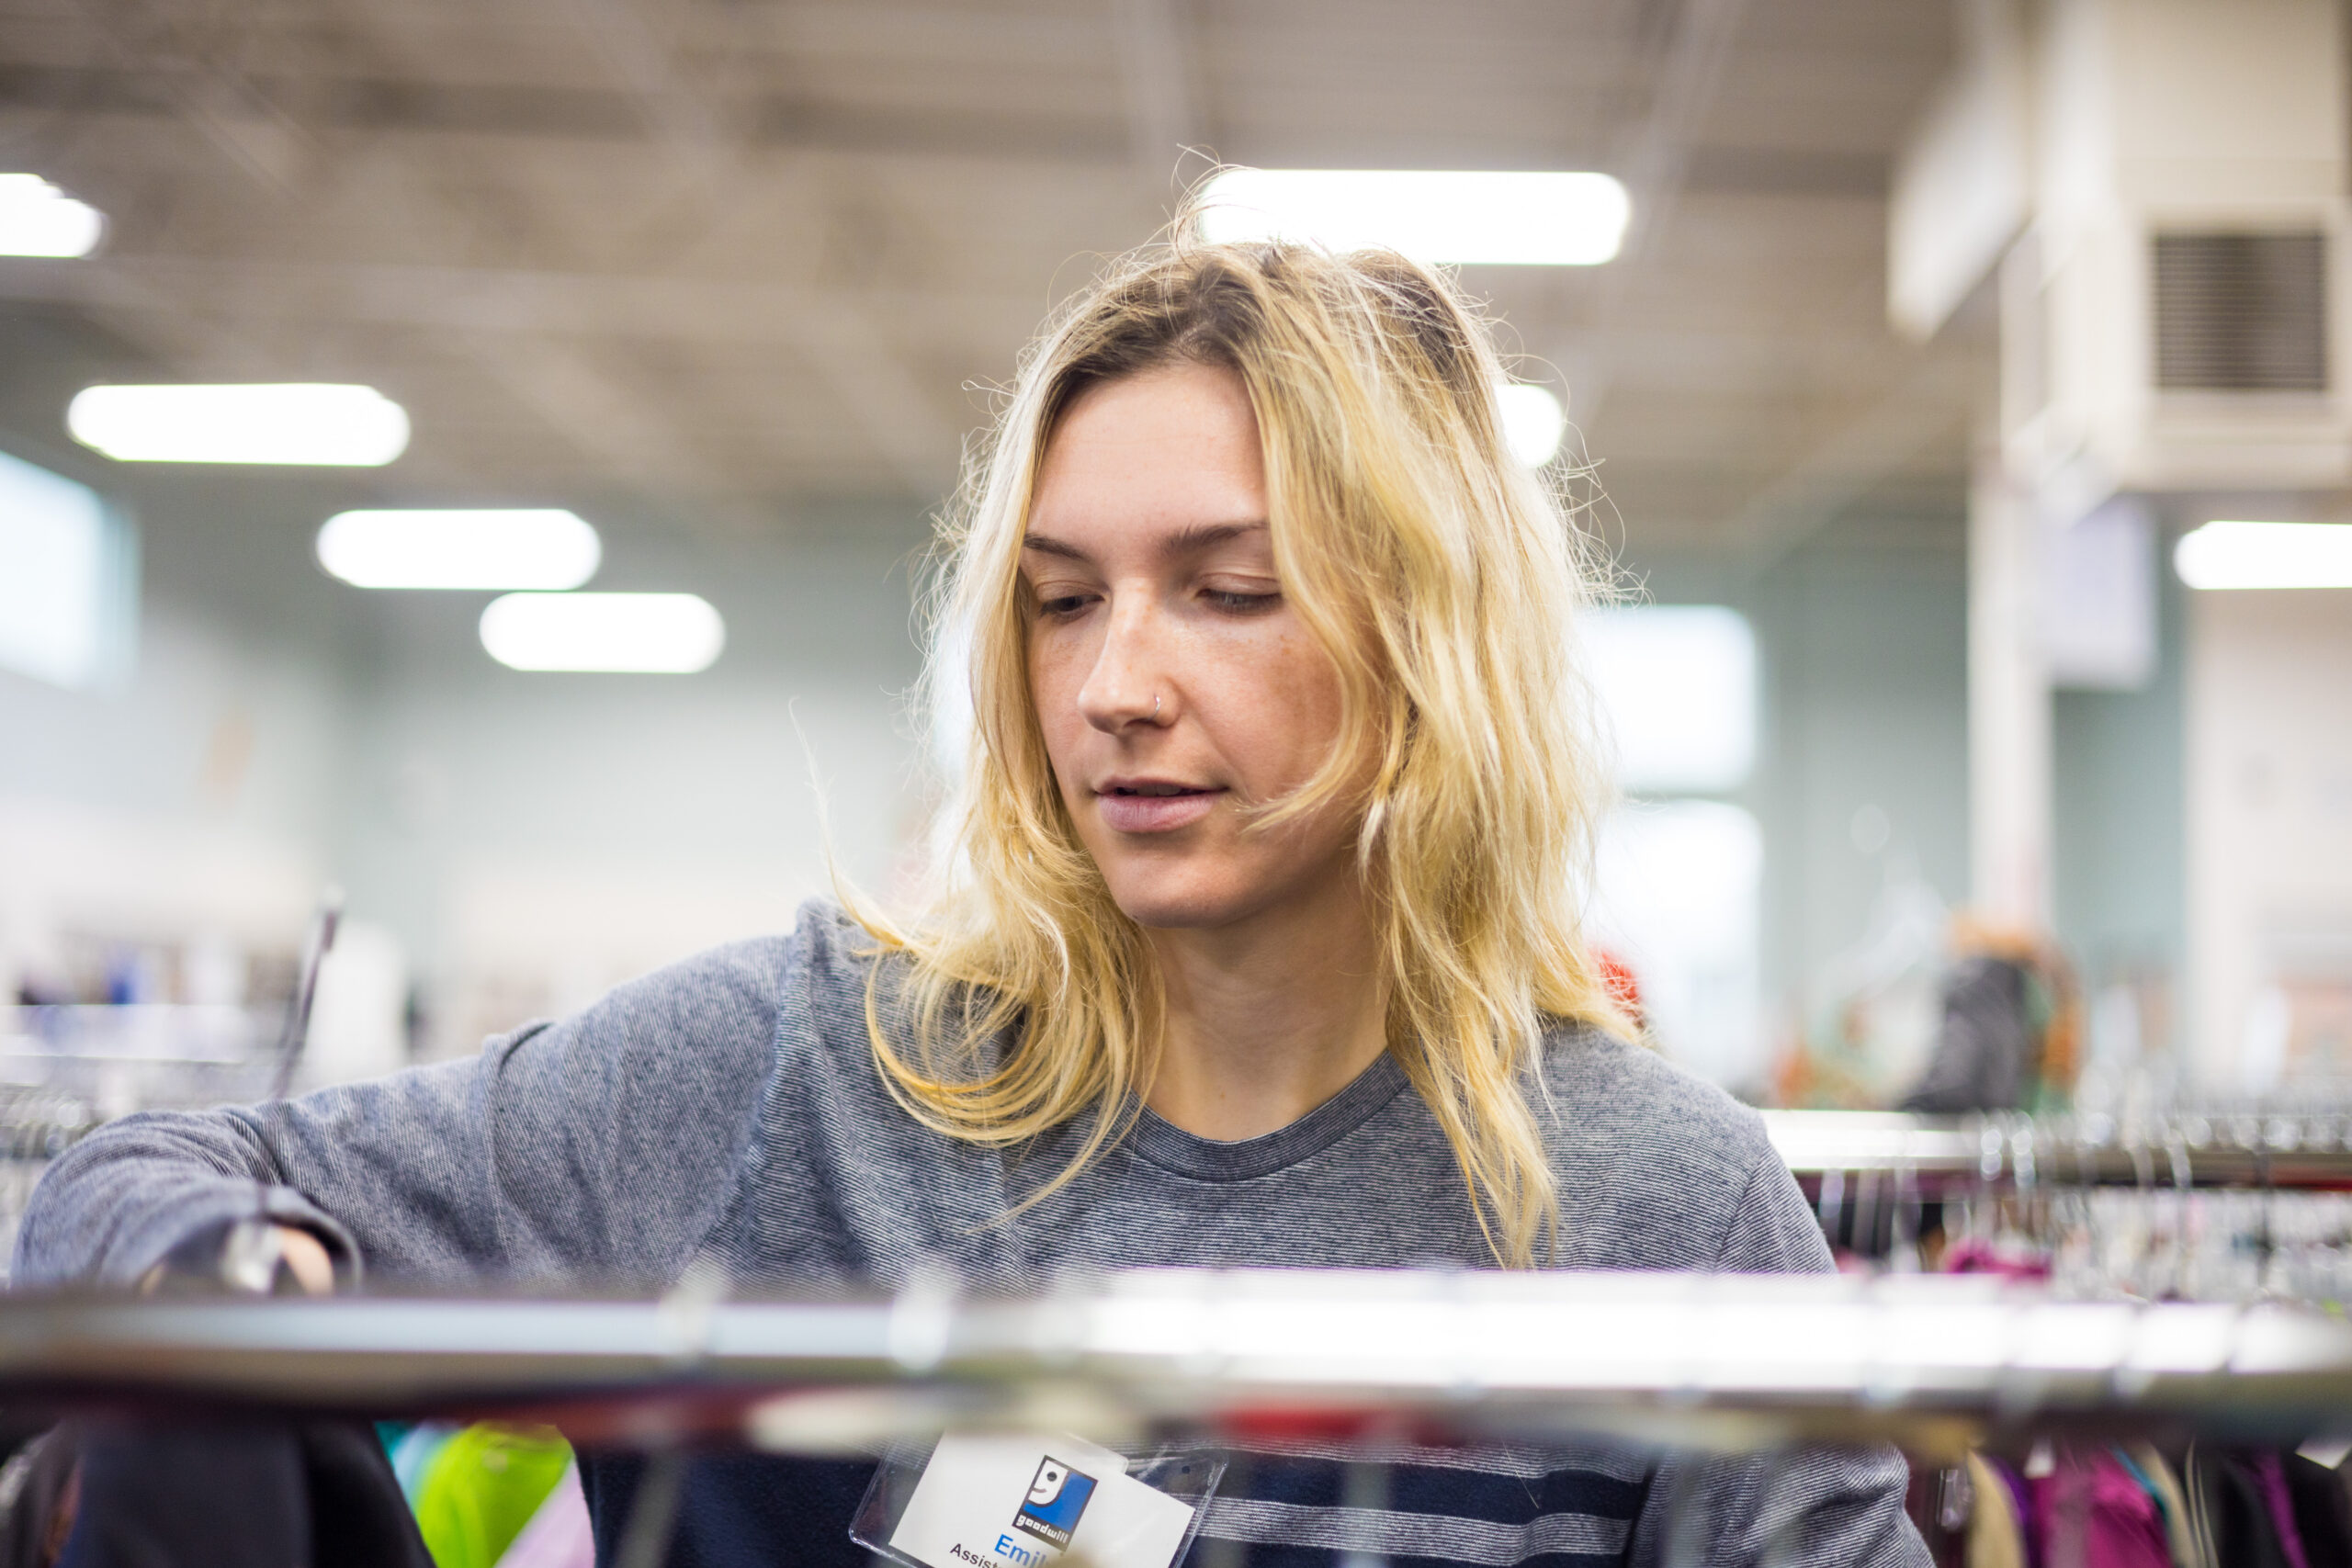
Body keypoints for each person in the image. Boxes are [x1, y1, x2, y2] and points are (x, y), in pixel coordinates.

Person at [15, 220, 1928, 1568]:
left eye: (1227, 588)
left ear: (1431, 641)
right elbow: (119, 1188)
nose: (1112, 684)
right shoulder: (809, 1071)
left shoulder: (1658, 1202)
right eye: (1060, 594)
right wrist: (261, 1293)